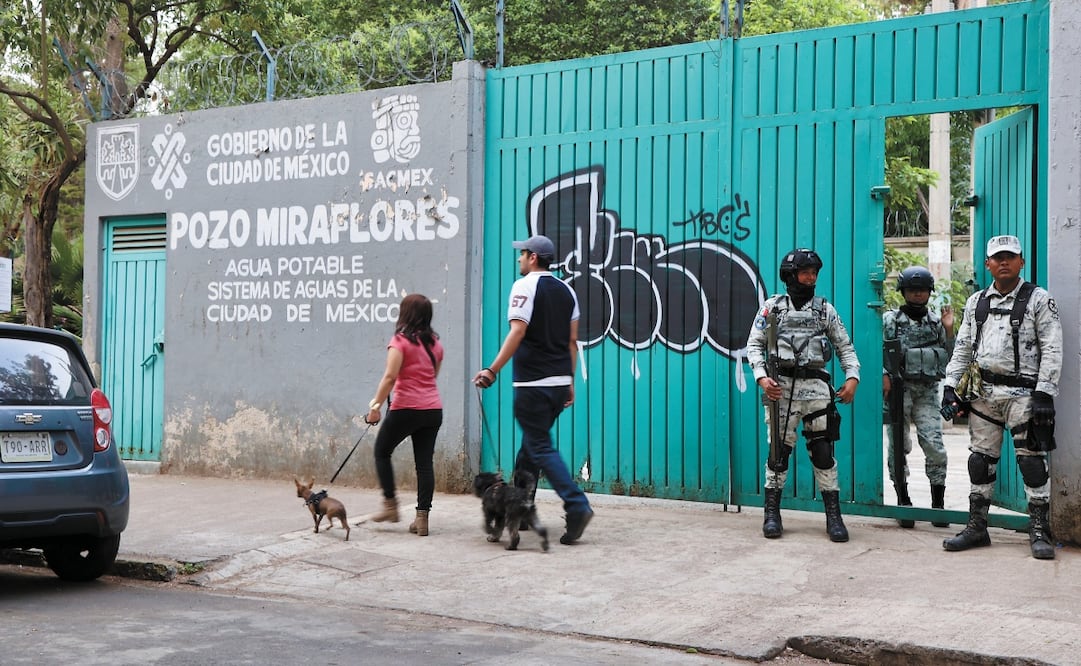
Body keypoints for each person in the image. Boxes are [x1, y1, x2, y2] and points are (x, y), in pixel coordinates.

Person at [940, 234, 1062, 559]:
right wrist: (950, 386)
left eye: (1010, 257)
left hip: (1025, 394)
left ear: (1021, 261)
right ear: (988, 264)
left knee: (1032, 462)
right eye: (998, 257)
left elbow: (1052, 347)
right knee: (980, 462)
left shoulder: (1038, 299)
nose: (1004, 262)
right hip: (984, 395)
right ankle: (977, 527)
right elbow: (964, 347)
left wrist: (1045, 393)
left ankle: (1039, 530)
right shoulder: (976, 302)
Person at [472, 234, 594, 545]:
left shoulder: (524, 287)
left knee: (539, 446)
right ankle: (521, 507)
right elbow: (571, 342)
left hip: (532, 385)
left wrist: (492, 369)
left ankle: (577, 504)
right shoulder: (568, 291)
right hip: (555, 385)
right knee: (530, 445)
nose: (519, 259)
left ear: (534, 258)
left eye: (522, 254)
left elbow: (518, 330)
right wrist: (568, 380)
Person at [746, 248, 861, 542]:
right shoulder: (772, 308)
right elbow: (754, 345)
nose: (810, 278)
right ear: (790, 275)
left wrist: (852, 377)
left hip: (818, 391)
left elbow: (844, 347)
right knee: (779, 454)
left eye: (814, 273)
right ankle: (772, 513)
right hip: (780, 389)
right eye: (805, 272)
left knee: (823, 453)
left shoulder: (825, 310)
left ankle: (833, 516)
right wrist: (762, 378)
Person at [362, 293, 444, 537]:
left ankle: (390, 506)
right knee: (424, 464)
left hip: (406, 408)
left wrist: (375, 407)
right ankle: (422, 519)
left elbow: (390, 377)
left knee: (382, 451)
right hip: (432, 409)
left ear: (405, 314)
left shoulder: (400, 342)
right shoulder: (436, 345)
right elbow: (433, 376)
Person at [882, 266, 954, 528]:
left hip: (926, 392)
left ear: (929, 293)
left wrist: (948, 330)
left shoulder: (936, 322)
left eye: (922, 290)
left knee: (934, 445)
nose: (917, 295)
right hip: (899, 391)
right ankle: (904, 500)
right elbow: (881, 351)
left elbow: (949, 356)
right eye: (912, 290)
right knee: (898, 447)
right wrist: (884, 375)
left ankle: (938, 505)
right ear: (903, 292)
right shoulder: (891, 320)